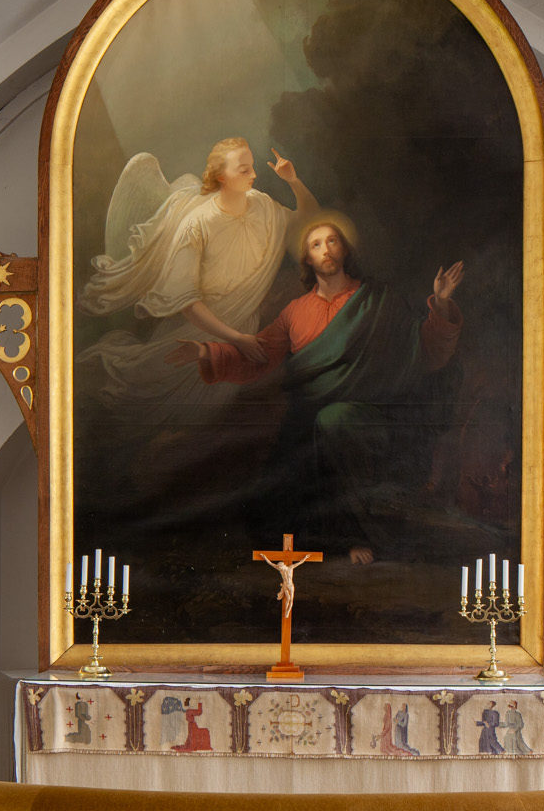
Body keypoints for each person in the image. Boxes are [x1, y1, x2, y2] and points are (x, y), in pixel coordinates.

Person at [167, 214, 464, 563]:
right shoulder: (295, 312)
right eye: (316, 244)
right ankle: (327, 542)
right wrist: (206, 352)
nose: (326, 249)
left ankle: (355, 536)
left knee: (336, 420)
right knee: (271, 504)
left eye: (332, 240)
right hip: (306, 420)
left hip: (367, 416)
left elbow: (426, 350)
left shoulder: (377, 299)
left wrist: (440, 302)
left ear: (345, 250)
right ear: (307, 258)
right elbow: (258, 355)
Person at [79, 139, 317, 421]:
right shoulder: (196, 225)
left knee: (213, 414)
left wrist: (293, 181)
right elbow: (187, 302)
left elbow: (309, 220)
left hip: (242, 331)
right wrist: (237, 339)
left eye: (252, 167)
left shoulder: (262, 205)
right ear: (221, 175)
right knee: (148, 391)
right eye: (244, 169)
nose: (254, 175)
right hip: (196, 330)